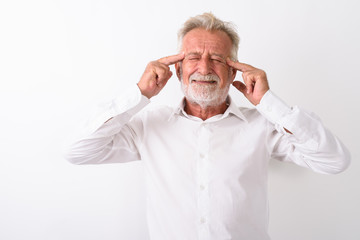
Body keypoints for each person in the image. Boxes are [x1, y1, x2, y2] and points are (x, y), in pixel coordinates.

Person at [65, 12, 350, 240]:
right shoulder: (148, 125)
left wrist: (267, 102)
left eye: (216, 59)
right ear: (177, 68)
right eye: (192, 58)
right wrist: (140, 93)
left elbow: (335, 161)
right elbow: (76, 151)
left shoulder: (262, 126)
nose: (203, 68)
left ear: (233, 69)